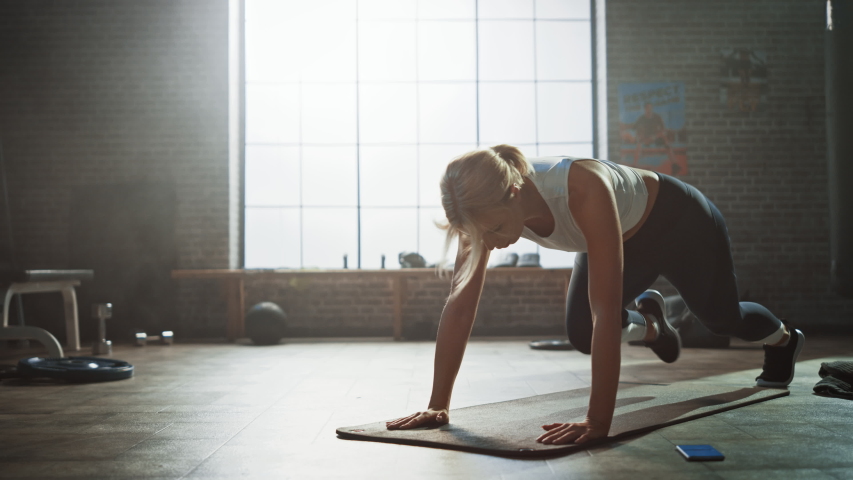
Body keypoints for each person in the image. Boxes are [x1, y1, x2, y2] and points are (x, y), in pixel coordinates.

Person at [385, 144, 805, 445]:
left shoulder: (581, 188)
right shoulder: (477, 213)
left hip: (680, 224)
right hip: (616, 236)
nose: (490, 243)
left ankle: (784, 339)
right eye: (481, 235)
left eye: (494, 229)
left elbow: (606, 310)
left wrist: (597, 421)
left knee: (721, 320)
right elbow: (459, 307)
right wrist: (438, 404)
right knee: (582, 333)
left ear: (514, 191)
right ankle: (653, 326)